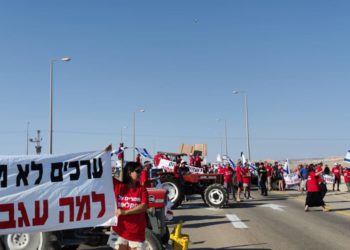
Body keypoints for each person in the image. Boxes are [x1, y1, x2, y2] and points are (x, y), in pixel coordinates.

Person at [108, 161, 149, 250]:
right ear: (130, 172)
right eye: (138, 171)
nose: (141, 173)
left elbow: (144, 206)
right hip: (119, 231)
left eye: (141, 171)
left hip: (136, 232)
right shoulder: (118, 186)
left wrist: (125, 212)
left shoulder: (142, 189)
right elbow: (104, 176)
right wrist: (106, 153)